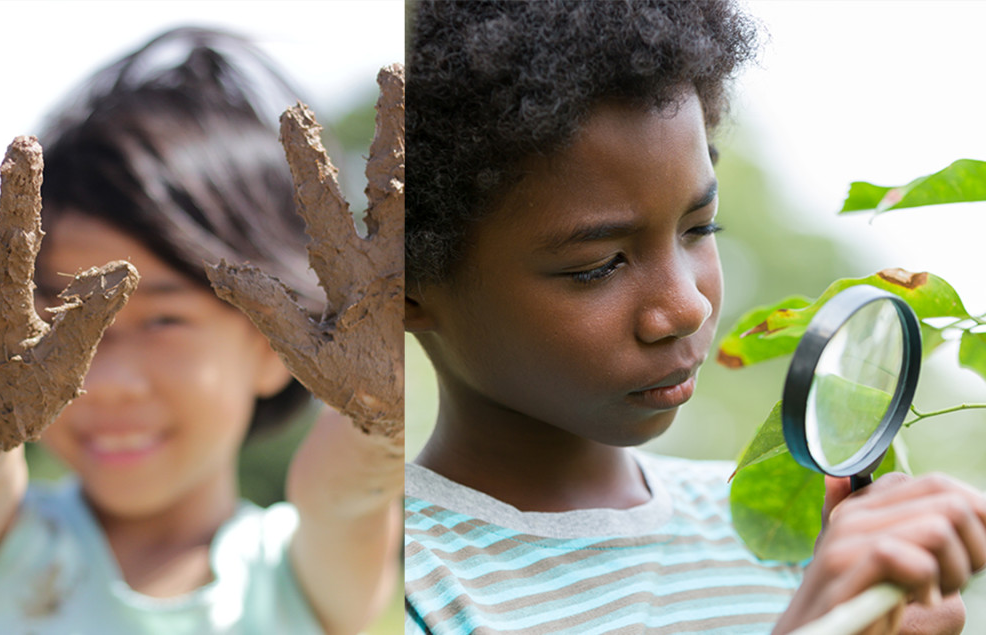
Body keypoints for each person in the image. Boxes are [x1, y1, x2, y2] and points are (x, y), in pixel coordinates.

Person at [0, 28, 400, 634]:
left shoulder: (301, 572)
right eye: (62, 315)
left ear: (276, 340)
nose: (106, 382)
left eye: (164, 319)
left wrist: (377, 417)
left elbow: (347, 498)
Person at [403, 2, 985, 634]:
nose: (688, 306)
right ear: (405, 287)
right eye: (597, 265)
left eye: (700, 227)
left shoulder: (784, 529)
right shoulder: (387, 580)